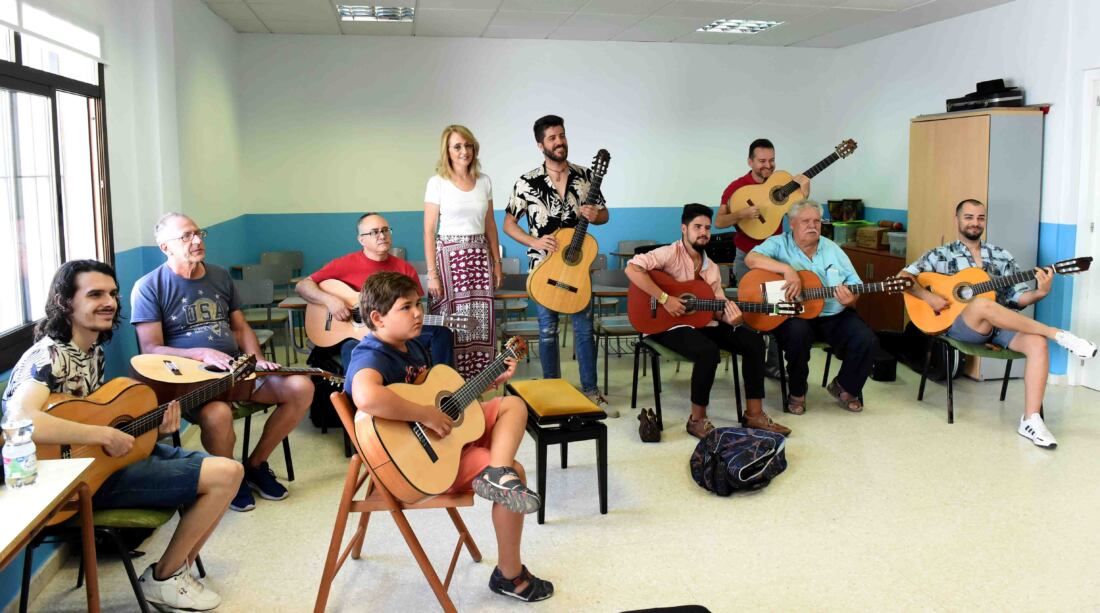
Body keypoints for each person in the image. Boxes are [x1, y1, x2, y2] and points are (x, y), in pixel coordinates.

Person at [2, 260, 240, 611]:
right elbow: (20, 419)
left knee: (227, 471)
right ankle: (164, 578)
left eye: (112, 293)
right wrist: (101, 434)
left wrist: (154, 429)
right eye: (95, 294)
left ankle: (176, 572)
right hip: (69, 482)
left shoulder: (91, 350)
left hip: (100, 465)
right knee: (226, 475)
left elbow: (99, 417)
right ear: (65, 301)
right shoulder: (47, 355)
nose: (109, 302)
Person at [345, 272, 553, 602]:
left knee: (513, 404)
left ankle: (497, 473)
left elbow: (443, 397)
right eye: (406, 307)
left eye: (418, 304)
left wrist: (488, 380)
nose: (418, 313)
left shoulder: (411, 347)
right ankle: (509, 576)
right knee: (518, 473)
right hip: (421, 459)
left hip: (442, 439)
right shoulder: (371, 354)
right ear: (376, 318)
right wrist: (426, 414)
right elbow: (367, 397)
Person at [133, 212, 313, 513]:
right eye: (187, 236)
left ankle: (255, 465)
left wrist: (256, 359)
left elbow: (241, 327)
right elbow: (150, 348)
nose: (197, 240)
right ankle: (232, 477)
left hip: (237, 372)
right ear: (165, 247)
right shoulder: (150, 286)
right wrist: (200, 353)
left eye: (199, 232)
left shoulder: (219, 276)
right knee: (217, 415)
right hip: (192, 383)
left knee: (301, 387)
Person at [900, 198, 1097, 448]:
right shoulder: (940, 254)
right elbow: (903, 279)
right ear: (957, 220)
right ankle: (1058, 334)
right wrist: (929, 297)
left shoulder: (1000, 255)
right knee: (982, 304)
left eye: (980, 218)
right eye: (969, 217)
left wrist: (1041, 292)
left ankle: (1031, 419)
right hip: (958, 325)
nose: (975, 222)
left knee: (1036, 343)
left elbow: (1018, 298)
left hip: (998, 324)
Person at [625, 204, 791, 438]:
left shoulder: (710, 267)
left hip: (703, 323)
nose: (703, 232)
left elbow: (717, 308)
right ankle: (697, 420)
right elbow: (632, 269)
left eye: (707, 228)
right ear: (684, 229)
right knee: (708, 351)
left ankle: (754, 415)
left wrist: (733, 318)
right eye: (697, 227)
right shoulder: (669, 253)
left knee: (753, 342)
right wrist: (664, 298)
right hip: (666, 324)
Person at [503, 114, 615, 416]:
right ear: (541, 144)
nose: (559, 141)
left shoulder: (585, 176)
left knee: (583, 331)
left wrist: (595, 216)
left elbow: (604, 215)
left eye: (562, 135)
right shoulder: (526, 182)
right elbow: (509, 224)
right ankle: (552, 390)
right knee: (548, 331)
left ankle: (590, 390)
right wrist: (534, 242)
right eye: (552, 138)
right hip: (543, 270)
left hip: (576, 270)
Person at [745, 200, 877, 414]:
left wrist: (851, 299)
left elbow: (856, 283)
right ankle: (797, 392)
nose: (812, 226)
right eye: (806, 221)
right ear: (792, 223)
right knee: (797, 335)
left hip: (833, 313)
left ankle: (845, 387)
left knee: (866, 339)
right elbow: (751, 259)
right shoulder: (778, 244)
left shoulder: (832, 248)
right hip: (795, 315)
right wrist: (787, 270)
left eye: (817, 221)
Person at [296, 212, 455, 368]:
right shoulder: (344, 264)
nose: (382, 235)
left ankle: (443, 387)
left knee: (441, 333)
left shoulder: (405, 270)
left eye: (385, 230)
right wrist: (330, 301)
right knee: (353, 350)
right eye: (374, 232)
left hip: (395, 332)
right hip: (355, 336)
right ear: (361, 240)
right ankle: (358, 393)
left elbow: (413, 307)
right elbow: (303, 286)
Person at [715, 138, 810, 379]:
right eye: (762, 161)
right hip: (747, 257)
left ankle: (774, 365)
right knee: (755, 311)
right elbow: (719, 222)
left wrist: (805, 194)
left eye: (771, 160)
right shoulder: (737, 188)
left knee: (782, 309)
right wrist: (741, 214)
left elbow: (798, 216)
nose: (768, 166)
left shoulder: (782, 184)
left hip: (777, 258)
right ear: (750, 161)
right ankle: (752, 363)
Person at [423, 125, 502, 378]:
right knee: (450, 323)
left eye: (468, 145)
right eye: (457, 146)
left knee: (480, 324)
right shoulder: (437, 183)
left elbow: (490, 224)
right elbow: (428, 231)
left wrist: (497, 263)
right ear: (447, 151)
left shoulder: (484, 181)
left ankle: (478, 384)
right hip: (448, 259)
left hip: (479, 257)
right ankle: (447, 382)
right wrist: (432, 274)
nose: (464, 151)